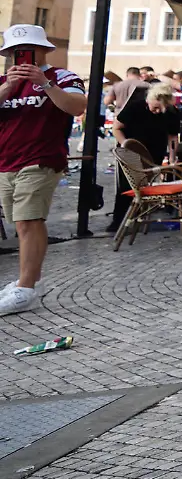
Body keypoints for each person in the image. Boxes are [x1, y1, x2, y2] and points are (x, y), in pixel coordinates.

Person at [0, 24, 87, 315]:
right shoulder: (4, 80)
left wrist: (46, 84)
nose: (20, 57)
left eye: (25, 51)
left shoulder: (62, 76)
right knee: (20, 223)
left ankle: (25, 288)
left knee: (29, 221)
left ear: (42, 51)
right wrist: (8, 88)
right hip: (6, 160)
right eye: (14, 52)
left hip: (42, 158)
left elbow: (77, 106)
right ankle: (27, 280)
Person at [109, 82, 182, 233]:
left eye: (161, 109)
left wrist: (172, 157)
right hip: (130, 154)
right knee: (126, 186)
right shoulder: (135, 107)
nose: (157, 111)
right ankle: (118, 222)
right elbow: (116, 128)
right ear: (149, 99)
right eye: (155, 107)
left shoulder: (171, 112)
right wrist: (126, 145)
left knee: (145, 186)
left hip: (154, 153)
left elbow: (173, 137)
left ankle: (138, 218)